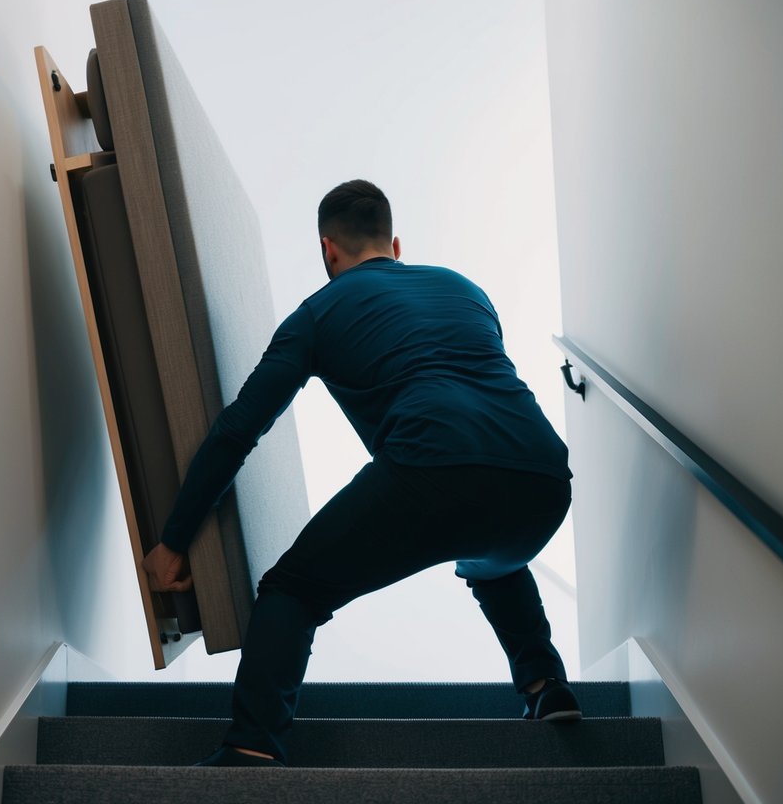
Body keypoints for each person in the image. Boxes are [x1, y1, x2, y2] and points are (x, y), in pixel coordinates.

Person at [141, 179, 578, 768]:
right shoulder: (464, 289)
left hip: (430, 469)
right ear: (396, 244)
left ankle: (251, 747)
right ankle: (546, 687)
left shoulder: (317, 314)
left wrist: (174, 540)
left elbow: (238, 430)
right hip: (544, 479)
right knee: (495, 559)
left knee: (293, 590)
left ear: (328, 251)